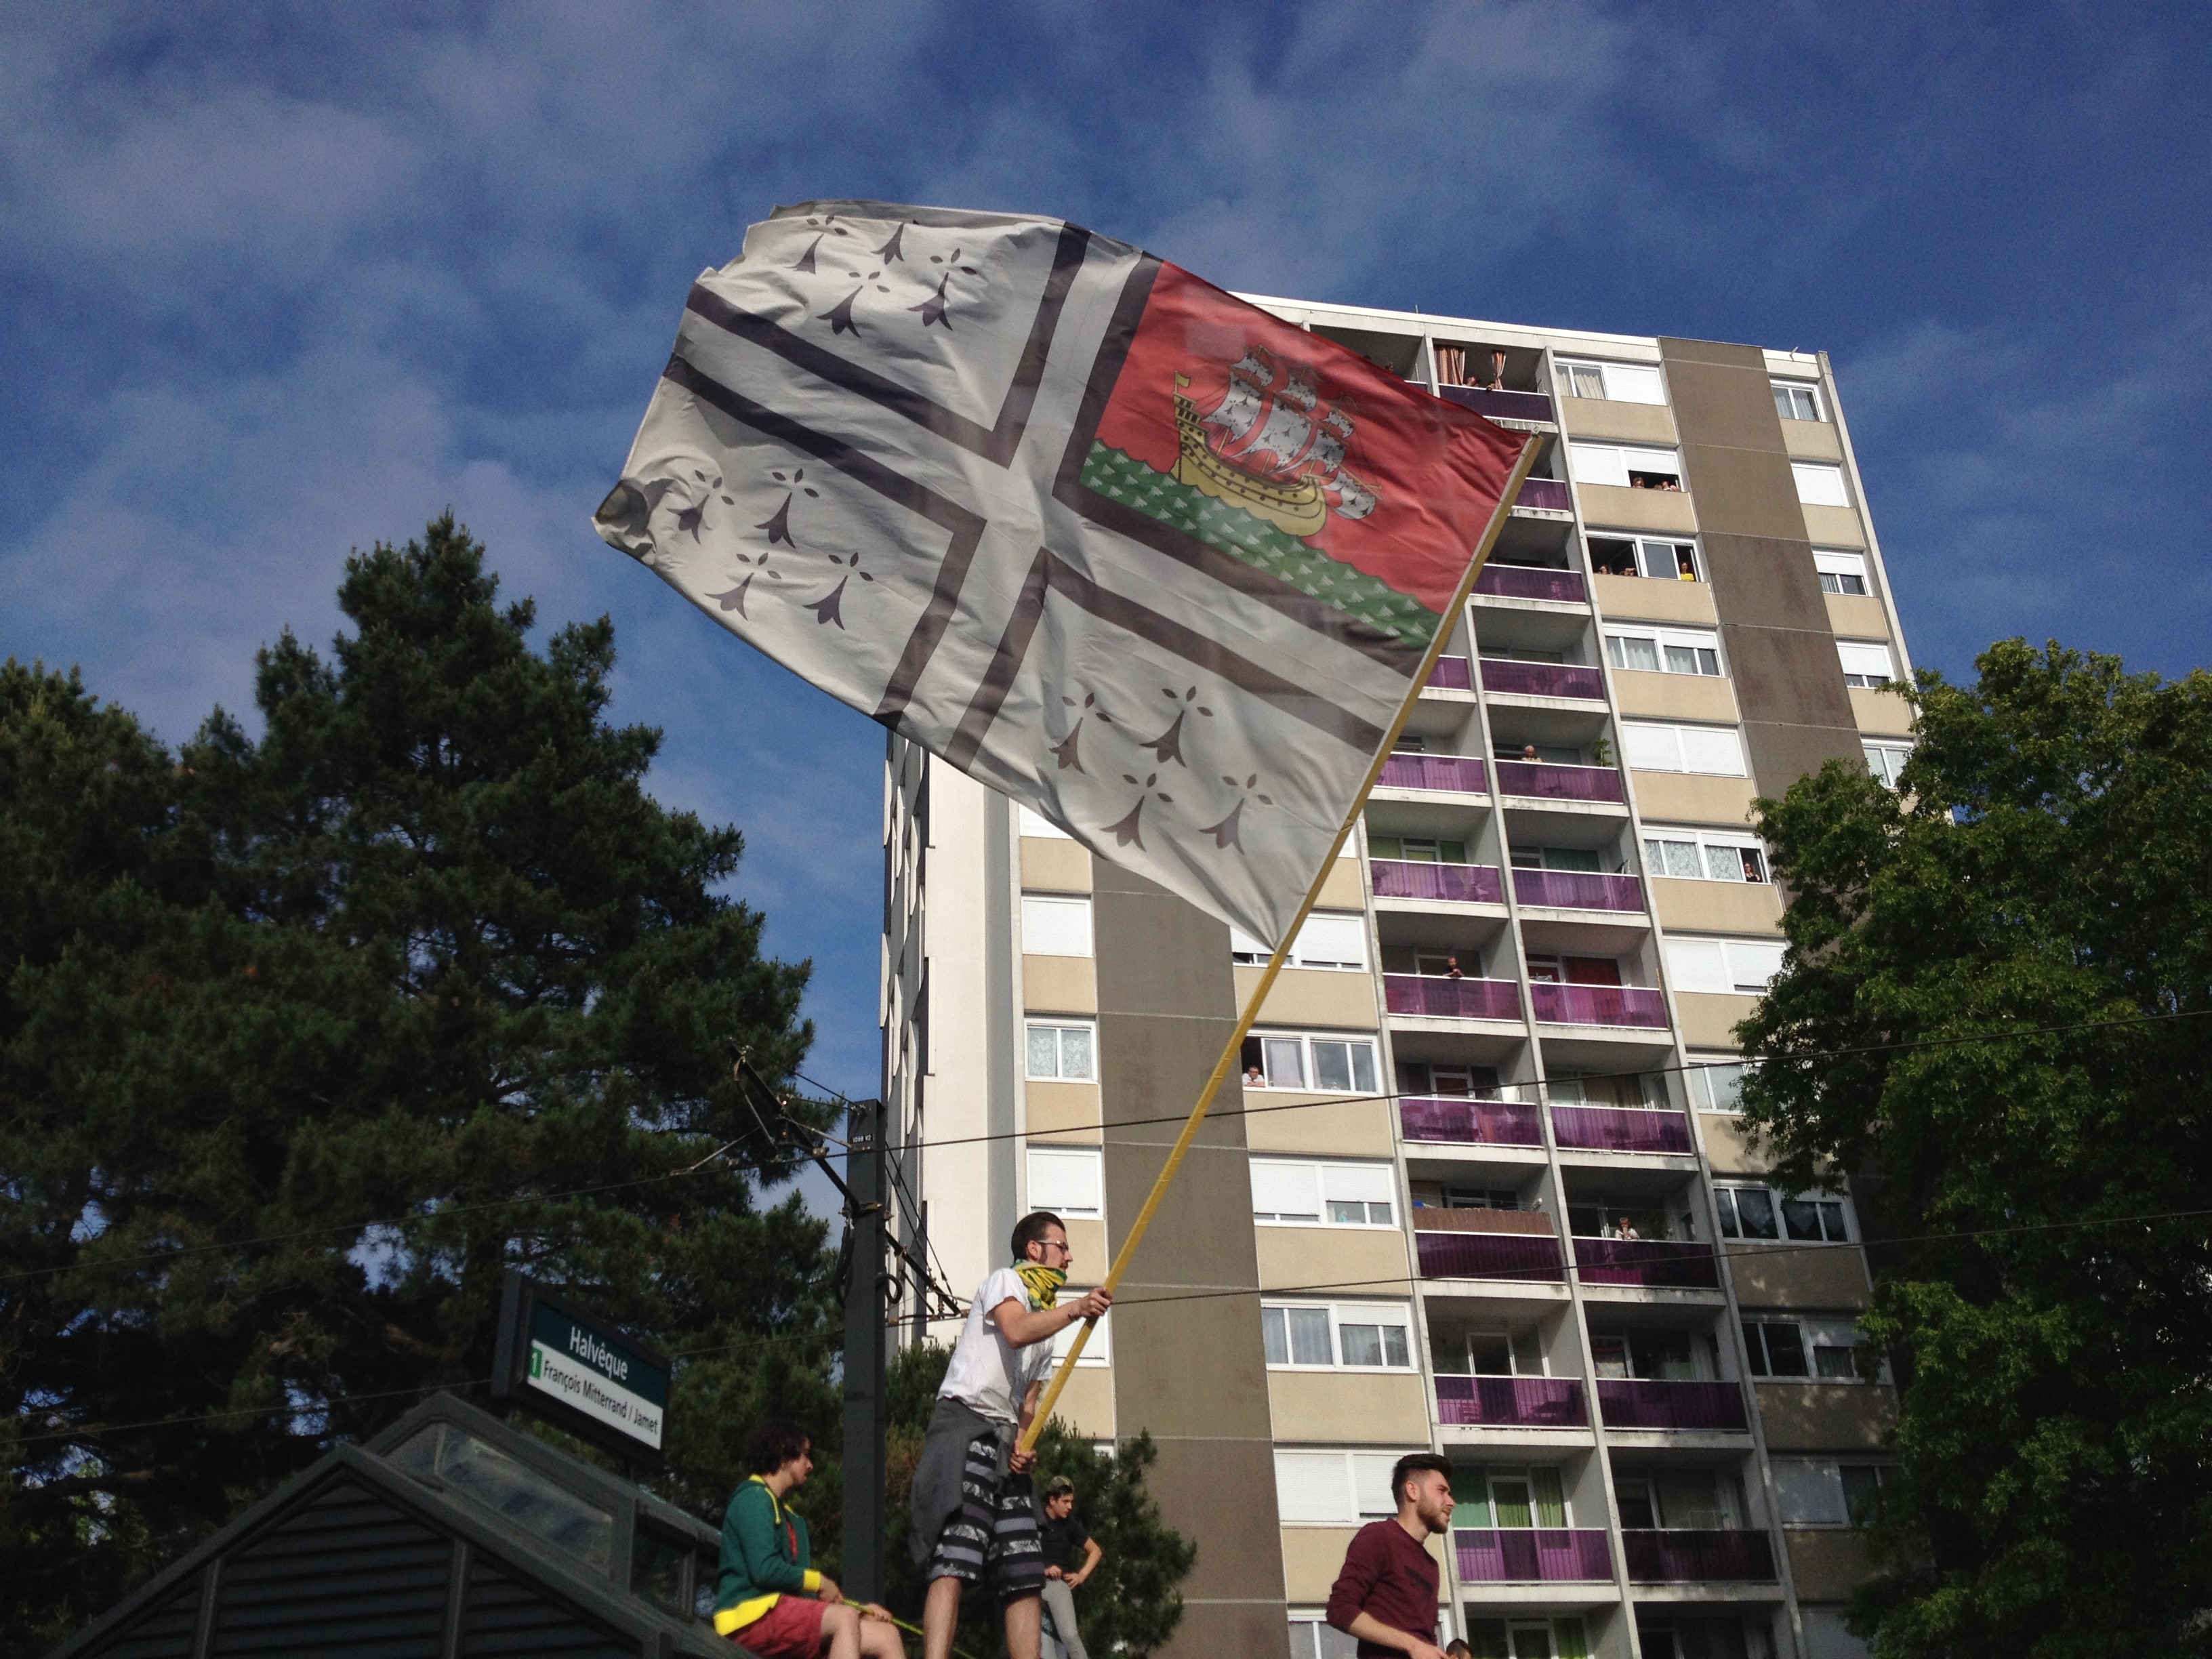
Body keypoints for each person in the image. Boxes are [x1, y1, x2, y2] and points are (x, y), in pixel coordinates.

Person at [911, 1212, 1113, 1659]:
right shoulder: (1006, 1282)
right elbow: (1015, 1331)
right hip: (965, 1426)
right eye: (1062, 1246)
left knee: (1025, 1571)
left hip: (1003, 1438)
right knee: (955, 1560)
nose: (1070, 1256)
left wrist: (1024, 1451)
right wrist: (1077, 1308)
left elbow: (1027, 1408)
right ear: (1034, 1250)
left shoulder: (1048, 1327)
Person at [714, 1419, 901, 1659]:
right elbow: (764, 1569)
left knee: (887, 1636)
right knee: (844, 1620)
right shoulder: (753, 1498)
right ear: (784, 1456)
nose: (810, 1465)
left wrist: (860, 1610)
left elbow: (803, 1600)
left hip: (780, 1616)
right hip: (747, 1617)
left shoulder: (793, 1519)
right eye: (805, 1455)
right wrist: (820, 1582)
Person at [1326, 1451, 1456, 1659]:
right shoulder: (1378, 1537)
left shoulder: (1431, 1566)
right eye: (1442, 1491)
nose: (1451, 1502)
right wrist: (1412, 1646)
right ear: (1412, 1491)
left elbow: (1423, 1639)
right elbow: (1339, 1609)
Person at [1038, 1475, 1103, 1659]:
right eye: (1065, 1502)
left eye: (1071, 1502)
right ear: (1052, 1500)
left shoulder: (1070, 1525)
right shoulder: (1036, 1520)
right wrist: (1044, 1568)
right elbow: (1022, 1551)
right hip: (1033, 1586)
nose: (1070, 1507)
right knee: (1046, 1653)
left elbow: (1095, 1551)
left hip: (1057, 1586)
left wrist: (1081, 1575)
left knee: (1070, 1636)